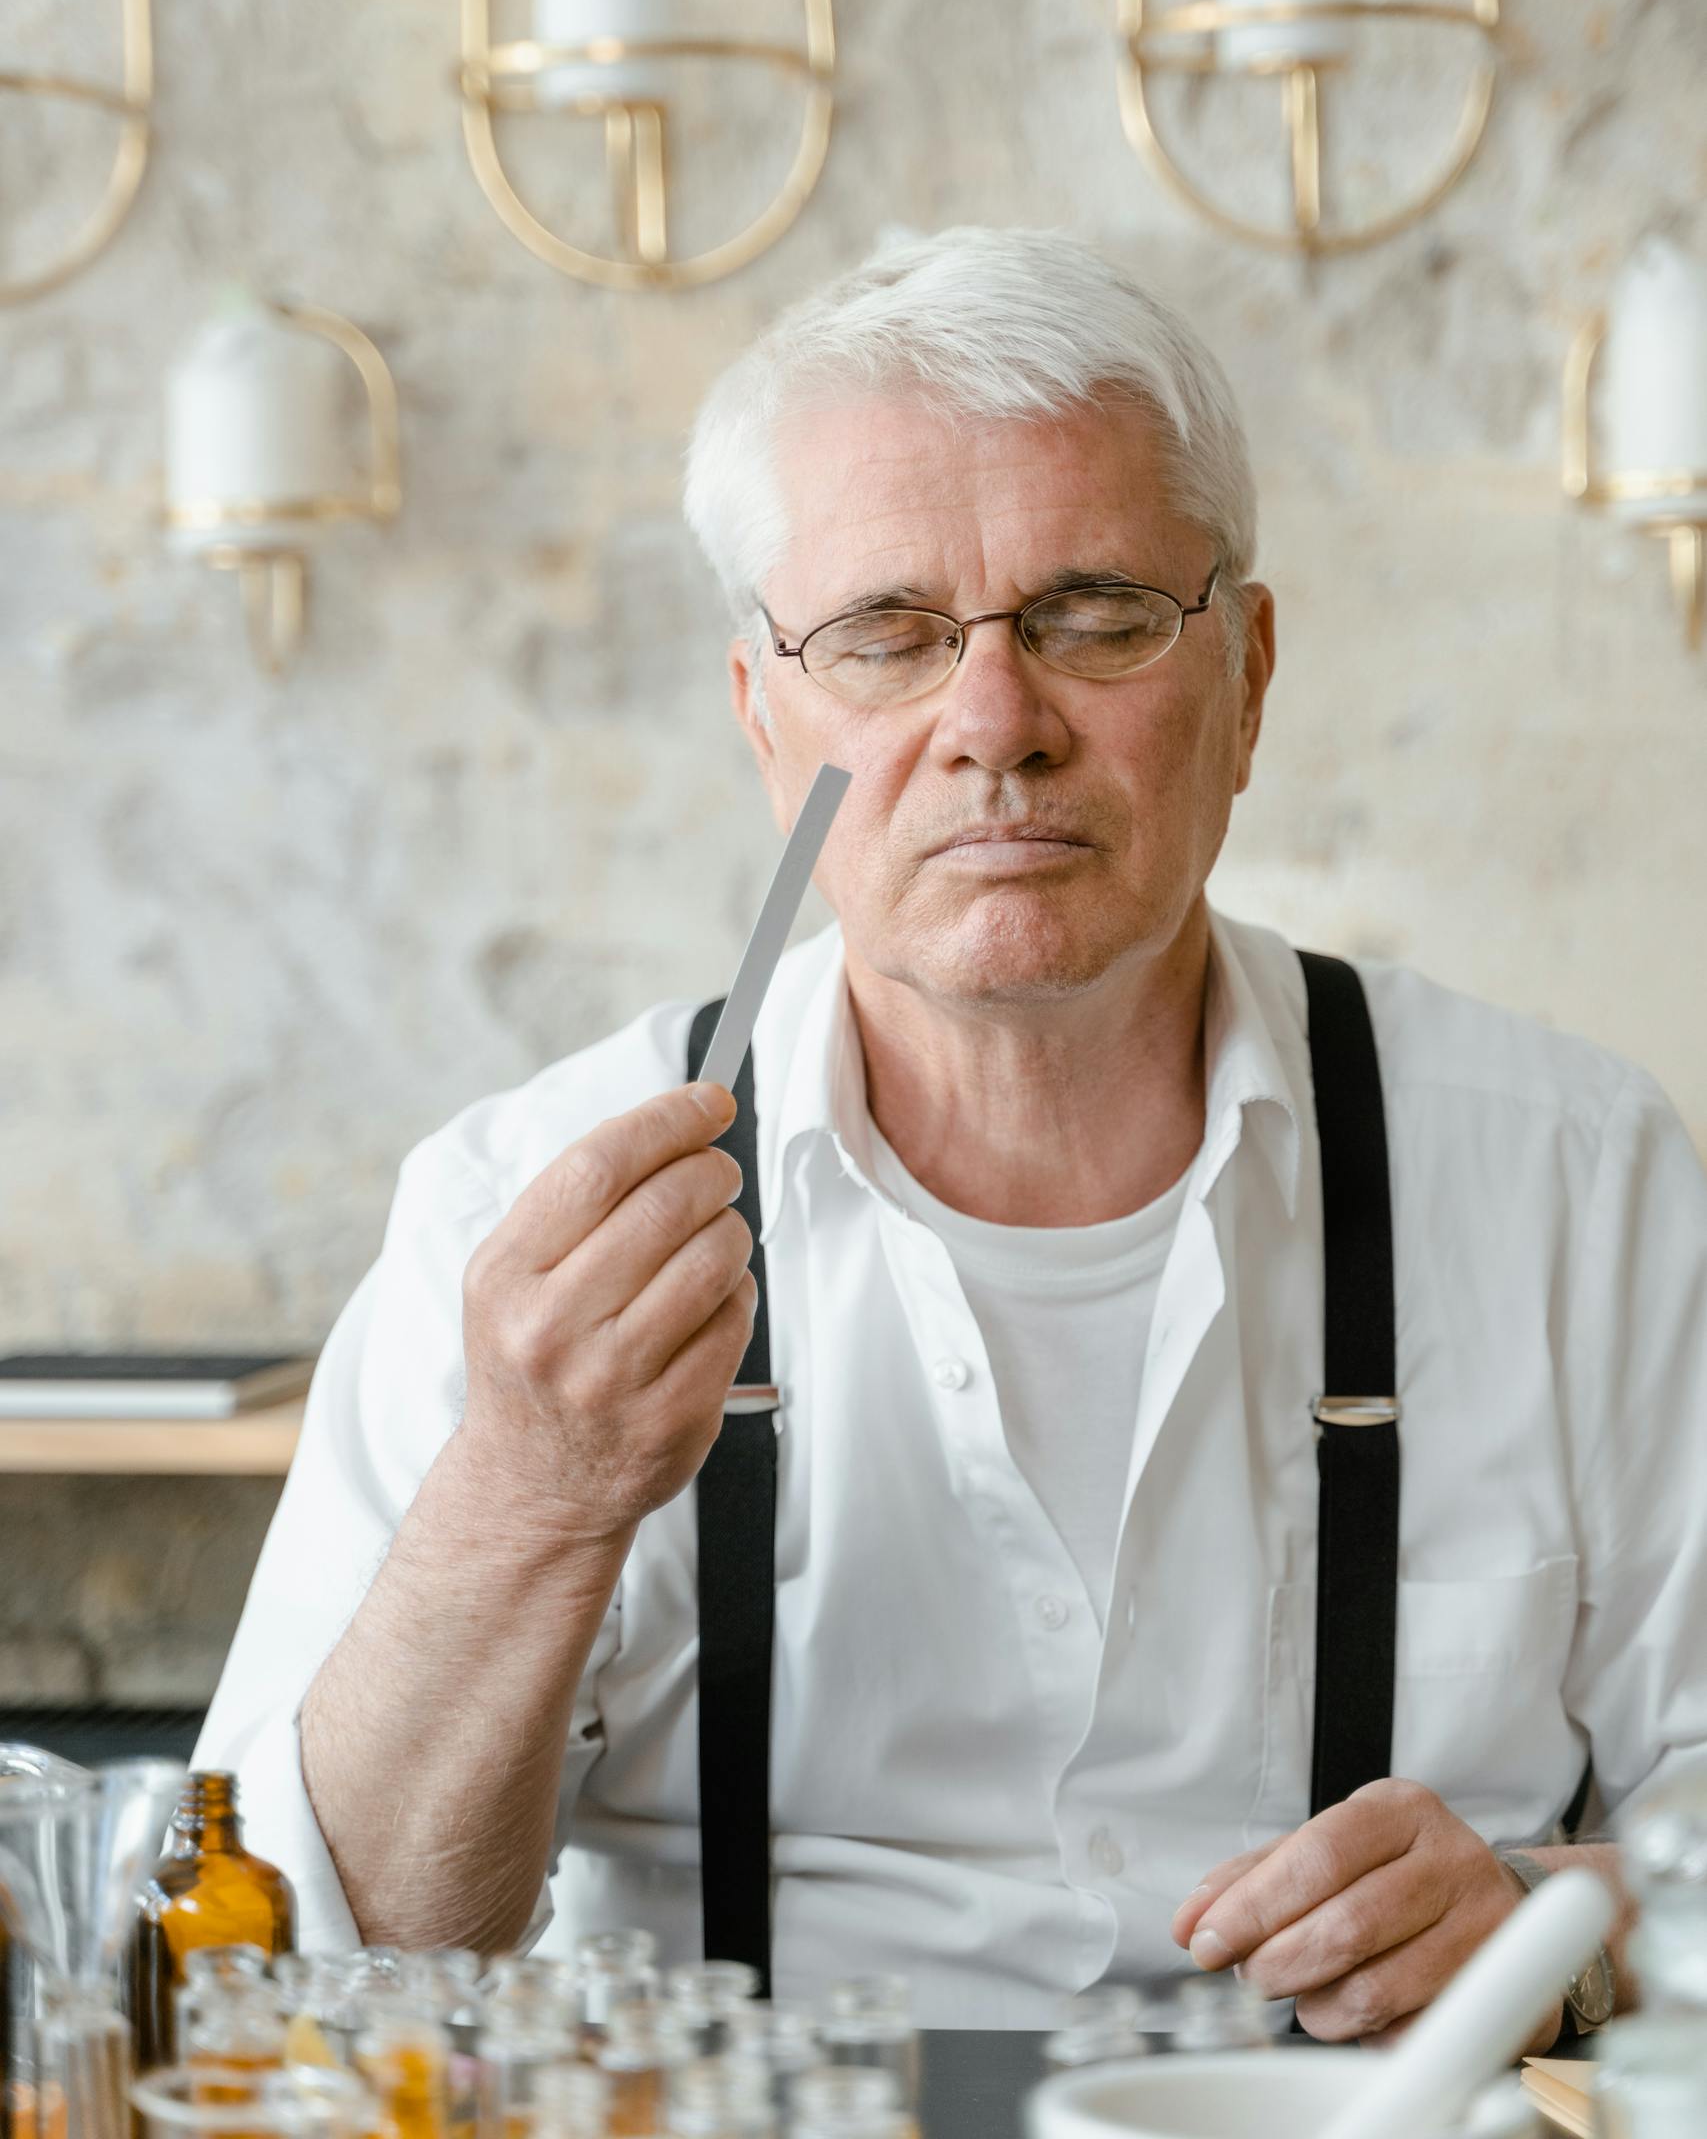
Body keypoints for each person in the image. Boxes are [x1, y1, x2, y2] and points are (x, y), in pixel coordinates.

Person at [198, 227, 1707, 2035]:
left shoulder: (1577, 1184)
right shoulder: (514, 1217)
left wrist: (1567, 1925)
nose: (996, 723)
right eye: (885, 638)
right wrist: (527, 1498)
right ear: (766, 722)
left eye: (1098, 615)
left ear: (1249, 678)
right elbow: (290, 1978)